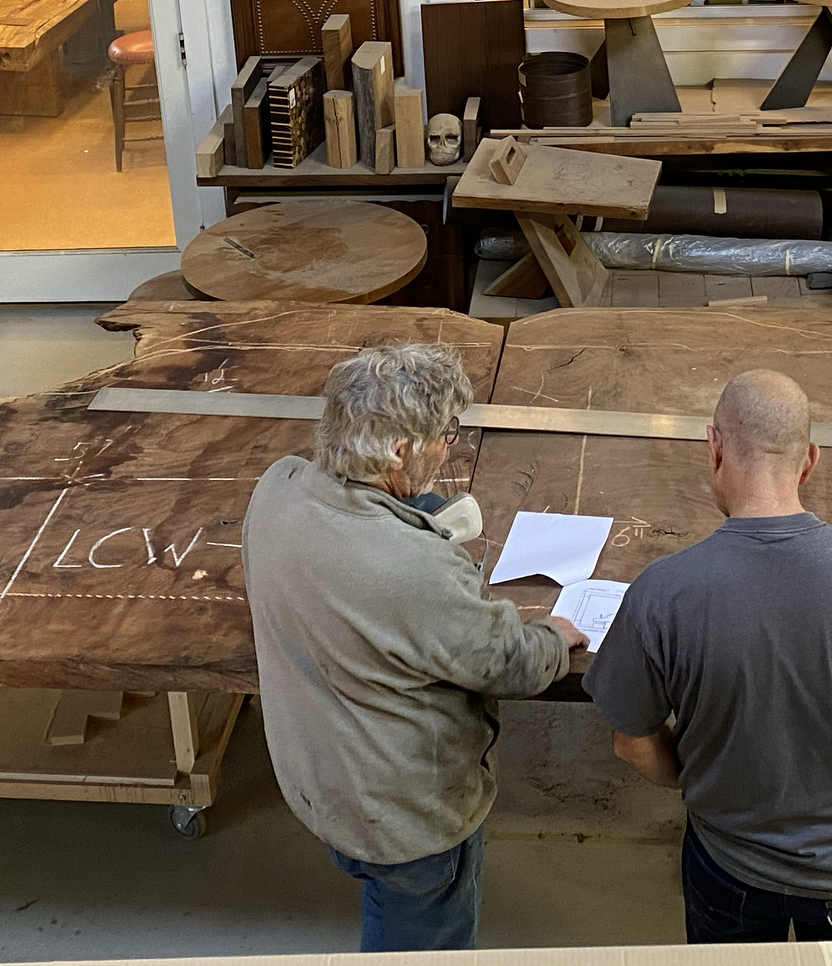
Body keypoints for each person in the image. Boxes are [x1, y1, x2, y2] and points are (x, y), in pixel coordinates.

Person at [585, 368, 832, 942]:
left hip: (729, 866)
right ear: (809, 460)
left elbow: (631, 743)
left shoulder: (664, 591)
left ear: (714, 448)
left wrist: (700, 782)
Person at [242, 340, 585, 952]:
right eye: (444, 436)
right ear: (399, 450)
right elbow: (509, 662)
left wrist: (420, 516)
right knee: (422, 945)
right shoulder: (417, 572)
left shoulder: (275, 489)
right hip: (407, 824)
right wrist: (554, 637)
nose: (448, 447)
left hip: (320, 784)